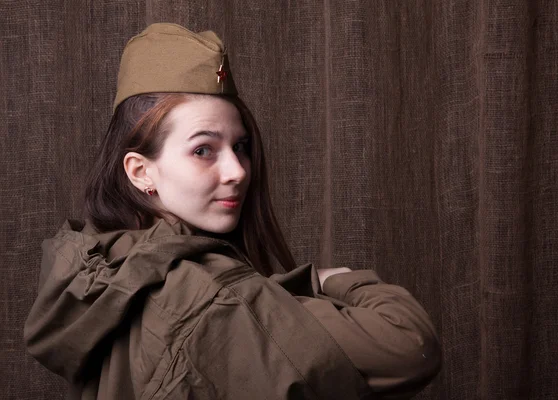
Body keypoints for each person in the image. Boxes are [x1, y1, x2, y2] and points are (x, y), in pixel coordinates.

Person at [24, 23, 442, 399]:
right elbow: (408, 345)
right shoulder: (209, 296)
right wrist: (339, 280)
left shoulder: (103, 269)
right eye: (203, 150)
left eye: (240, 147)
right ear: (140, 171)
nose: (238, 171)